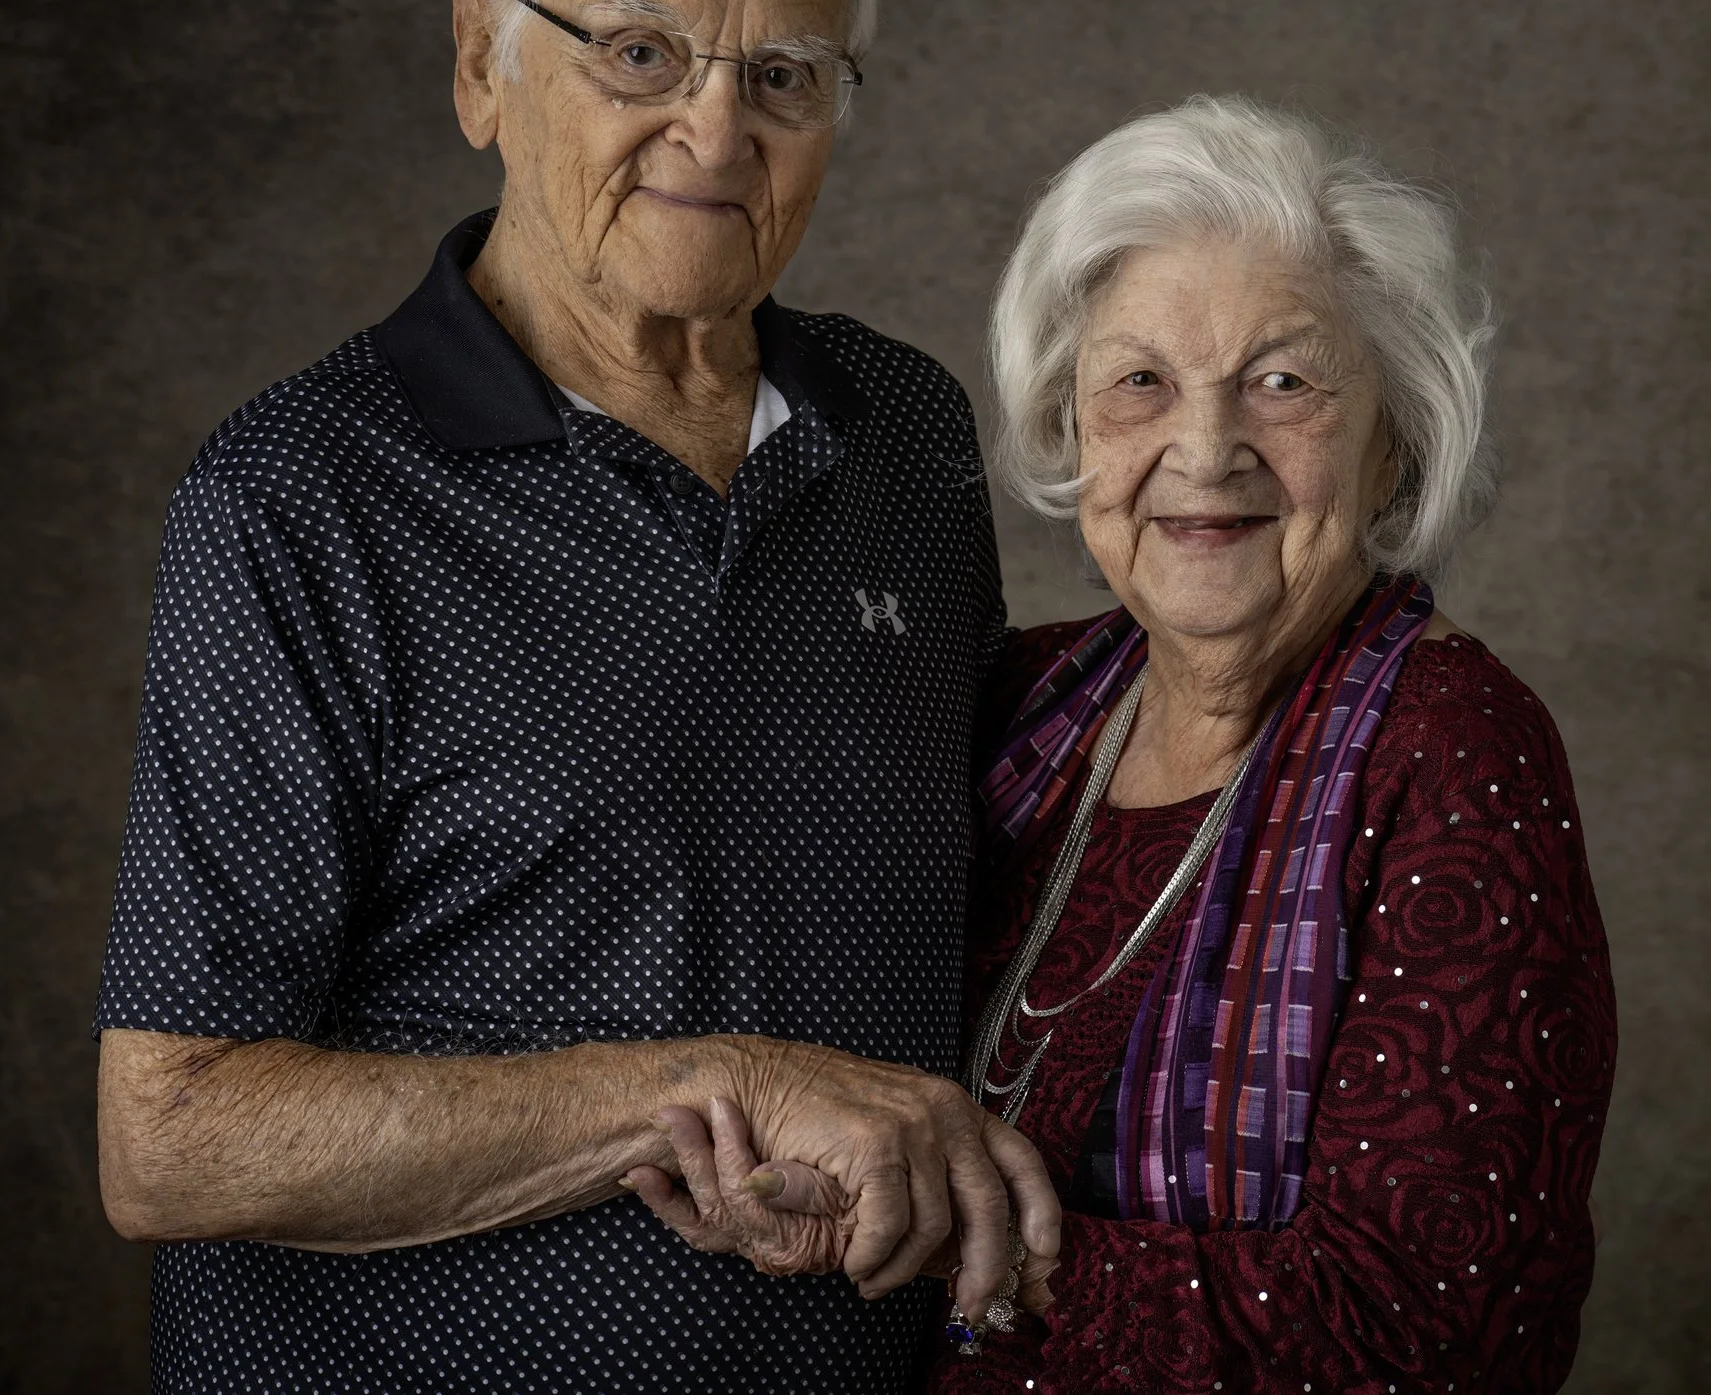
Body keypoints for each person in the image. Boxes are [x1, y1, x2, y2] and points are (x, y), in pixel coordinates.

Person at [91, 0, 1056, 1393]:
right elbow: (175, 1134)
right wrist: (709, 1086)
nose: (715, 129)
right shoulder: (297, 495)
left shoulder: (907, 439)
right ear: (484, 62)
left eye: (785, 76)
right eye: (638, 51)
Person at [645, 97, 1617, 1392]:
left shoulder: (1451, 754)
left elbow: (1426, 1338)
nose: (1204, 448)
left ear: (1396, 442)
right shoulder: (1022, 701)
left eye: (1284, 381)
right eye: (1141, 382)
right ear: (1072, 427)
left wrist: (947, 1237)